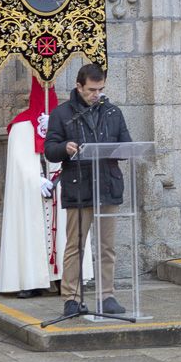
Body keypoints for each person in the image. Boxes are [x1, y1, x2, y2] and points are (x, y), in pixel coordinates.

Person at [44, 63, 132, 317]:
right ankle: (71, 298)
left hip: (107, 184)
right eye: (92, 90)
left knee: (107, 246)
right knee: (75, 245)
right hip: (79, 186)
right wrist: (65, 148)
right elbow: (50, 148)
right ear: (79, 86)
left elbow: (126, 145)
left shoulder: (113, 112)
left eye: (100, 89)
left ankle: (107, 296)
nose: (97, 95)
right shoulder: (62, 114)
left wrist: (119, 149)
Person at [0, 76, 92, 298]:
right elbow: (19, 163)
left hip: (60, 184)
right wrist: (35, 179)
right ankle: (31, 280)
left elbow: (70, 149)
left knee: (65, 231)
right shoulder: (21, 126)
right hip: (33, 190)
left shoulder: (66, 120)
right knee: (30, 229)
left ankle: (63, 278)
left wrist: (57, 175)